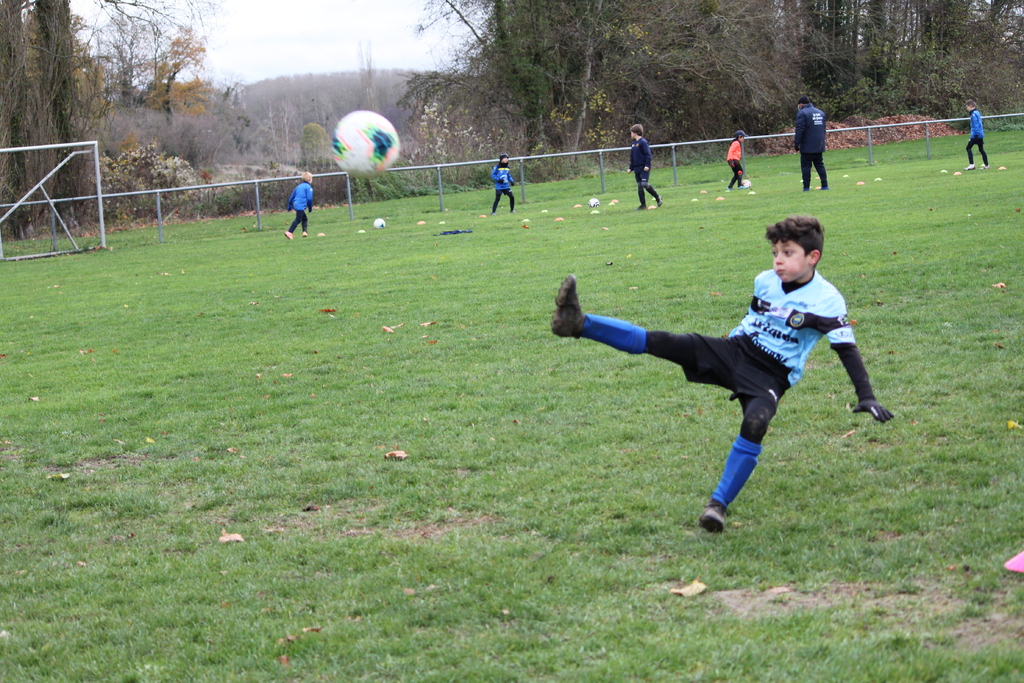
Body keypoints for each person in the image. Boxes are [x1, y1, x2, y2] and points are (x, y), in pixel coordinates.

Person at [550, 215, 893, 532]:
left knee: (756, 422)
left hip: (771, 375)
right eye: (775, 252)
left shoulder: (828, 301)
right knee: (663, 341)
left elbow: (846, 349)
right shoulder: (765, 281)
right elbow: (753, 319)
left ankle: (717, 506)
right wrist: (728, 346)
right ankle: (578, 323)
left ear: (813, 257)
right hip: (735, 351)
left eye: (788, 253)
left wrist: (866, 396)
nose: (778, 260)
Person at [794, 96, 829, 191]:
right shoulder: (820, 112)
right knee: (820, 165)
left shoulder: (802, 113)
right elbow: (823, 129)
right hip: (819, 144)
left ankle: (806, 187)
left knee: (806, 166)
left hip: (807, 145)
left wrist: (797, 142)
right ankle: (825, 185)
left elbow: (800, 129)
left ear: (801, 104)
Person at [628, 124, 663, 210]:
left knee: (644, 184)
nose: (631, 134)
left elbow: (648, 154)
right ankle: (643, 205)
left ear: (635, 133)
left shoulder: (643, 142)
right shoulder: (633, 144)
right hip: (637, 168)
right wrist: (631, 168)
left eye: (631, 133)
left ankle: (657, 197)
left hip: (644, 167)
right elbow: (632, 157)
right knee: (639, 186)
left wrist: (647, 165)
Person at [285, 172, 314, 239]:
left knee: (304, 218)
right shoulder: (308, 187)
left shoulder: (298, 187)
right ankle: (289, 232)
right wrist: (310, 207)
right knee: (298, 219)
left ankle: (304, 232)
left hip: (296, 204)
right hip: (300, 205)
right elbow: (309, 199)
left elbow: (291, 197)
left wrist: (289, 206)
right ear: (309, 179)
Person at [965, 100, 989, 170]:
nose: (967, 109)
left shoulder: (973, 114)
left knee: (968, 148)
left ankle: (972, 164)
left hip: (976, 134)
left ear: (970, 106)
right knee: (981, 149)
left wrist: (975, 135)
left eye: (967, 107)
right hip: (980, 134)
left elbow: (975, 125)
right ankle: (987, 165)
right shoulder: (977, 112)